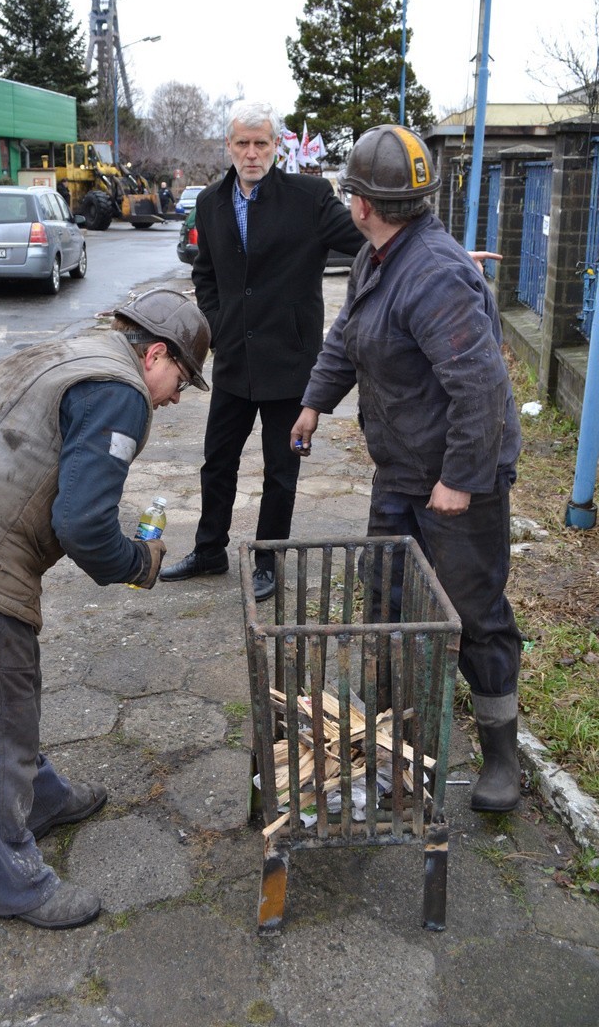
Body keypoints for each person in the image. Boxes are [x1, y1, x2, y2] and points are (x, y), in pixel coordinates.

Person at [0, 288, 210, 930]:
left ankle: (38, 797)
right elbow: (84, 527)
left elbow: (52, 466)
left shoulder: (74, 348)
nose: (176, 398)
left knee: (10, 689)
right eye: (181, 378)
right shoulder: (121, 391)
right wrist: (137, 564)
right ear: (155, 353)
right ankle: (13, 884)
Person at [291, 124, 523, 814]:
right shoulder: (378, 258)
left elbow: (480, 388)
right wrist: (312, 405)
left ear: (363, 203)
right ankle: (390, 745)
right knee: (388, 603)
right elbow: (345, 339)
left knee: (475, 615)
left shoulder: (435, 275)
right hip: (400, 471)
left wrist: (459, 479)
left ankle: (502, 758)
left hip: (458, 482)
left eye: (351, 193)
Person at [159, 100, 362, 601]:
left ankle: (267, 559)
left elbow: (368, 239)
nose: (252, 154)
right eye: (242, 144)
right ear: (229, 147)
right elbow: (205, 271)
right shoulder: (210, 202)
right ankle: (210, 550)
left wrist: (433, 248)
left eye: (261, 143)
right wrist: (217, 320)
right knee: (217, 461)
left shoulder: (310, 197)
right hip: (233, 359)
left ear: (276, 147)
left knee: (281, 469)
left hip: (290, 363)